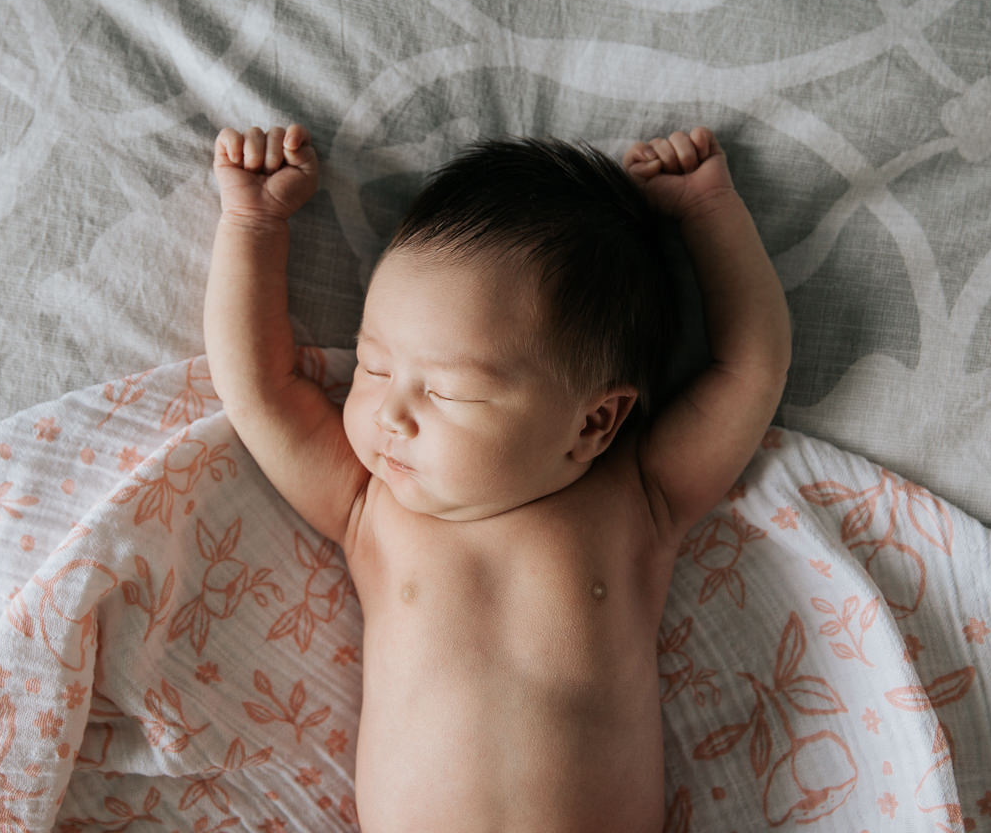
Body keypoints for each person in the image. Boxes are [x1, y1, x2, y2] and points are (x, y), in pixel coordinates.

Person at [204, 123, 791, 832]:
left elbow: (749, 370)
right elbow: (261, 388)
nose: (390, 413)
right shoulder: (372, 507)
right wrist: (252, 223)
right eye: (374, 366)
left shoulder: (639, 502)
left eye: (447, 393)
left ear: (593, 424)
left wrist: (708, 214)